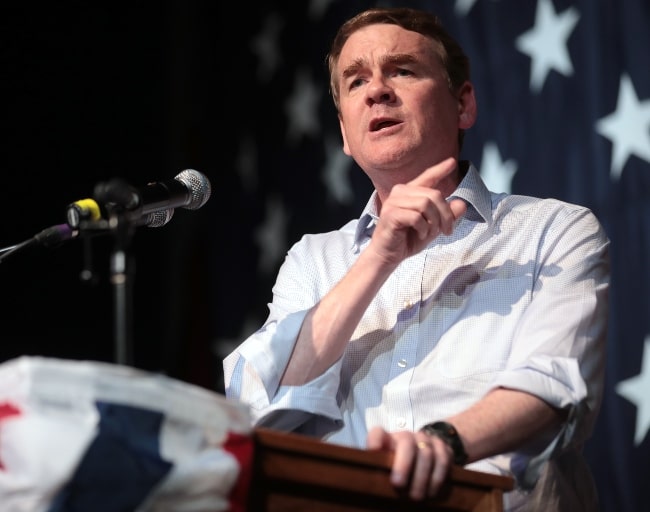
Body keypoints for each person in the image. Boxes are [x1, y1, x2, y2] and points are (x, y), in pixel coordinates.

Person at [223, 6, 610, 511]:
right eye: (356, 81)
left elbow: (555, 383)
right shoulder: (313, 260)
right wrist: (377, 259)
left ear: (464, 103)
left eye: (402, 69)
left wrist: (441, 444)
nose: (377, 90)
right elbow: (254, 402)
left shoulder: (554, 231)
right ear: (344, 132)